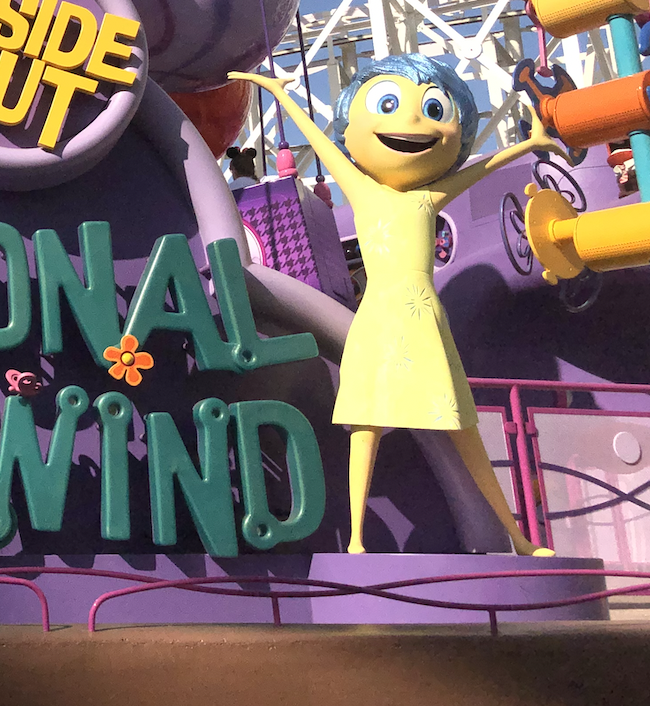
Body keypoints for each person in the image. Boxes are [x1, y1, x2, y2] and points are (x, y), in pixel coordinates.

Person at [231, 54, 564, 555]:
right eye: (389, 104)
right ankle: (357, 540)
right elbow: (323, 144)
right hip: (380, 321)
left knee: (462, 429)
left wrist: (529, 144)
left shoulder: (426, 199)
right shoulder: (363, 191)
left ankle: (517, 537)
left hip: (425, 321)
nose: (411, 122)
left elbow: (479, 169)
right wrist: (280, 96)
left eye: (433, 108)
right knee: (367, 427)